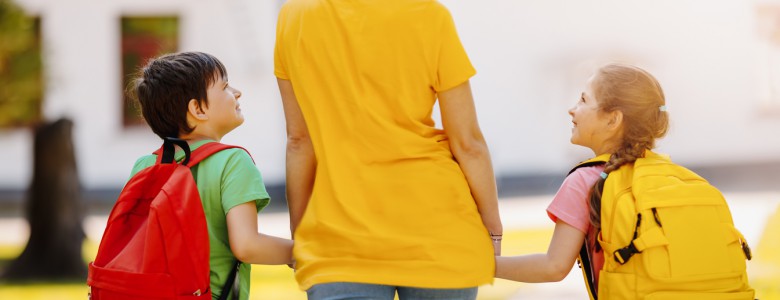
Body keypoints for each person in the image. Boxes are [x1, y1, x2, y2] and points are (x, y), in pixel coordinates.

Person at [274, 1, 503, 299]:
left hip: (338, 240)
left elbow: (299, 141)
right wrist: (492, 227)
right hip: (438, 230)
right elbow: (468, 143)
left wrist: (301, 232)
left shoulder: (294, 16)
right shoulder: (428, 14)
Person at [127, 51, 294, 300]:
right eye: (225, 86)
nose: (237, 92)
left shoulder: (145, 165)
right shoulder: (232, 162)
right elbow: (247, 245)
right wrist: (303, 251)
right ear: (197, 108)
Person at [494, 63, 668, 286]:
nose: (572, 109)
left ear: (612, 119)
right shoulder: (667, 174)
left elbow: (553, 267)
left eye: (583, 100)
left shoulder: (584, 180)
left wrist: (482, 264)